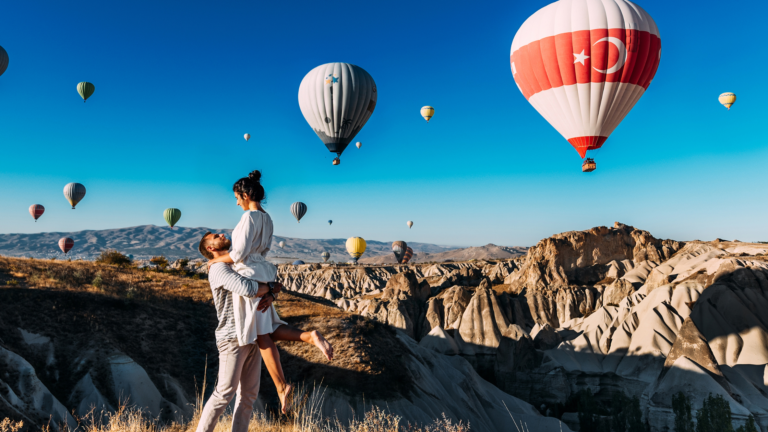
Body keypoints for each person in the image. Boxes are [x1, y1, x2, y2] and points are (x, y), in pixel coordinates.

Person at [200, 171, 333, 414]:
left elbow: (239, 254)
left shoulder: (247, 218)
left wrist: (214, 262)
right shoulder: (267, 217)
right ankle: (308, 338)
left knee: (263, 335)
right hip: (265, 270)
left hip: (250, 273)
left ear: (244, 194)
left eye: (237, 197)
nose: (236, 202)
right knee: (267, 329)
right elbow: (264, 248)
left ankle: (282, 386)